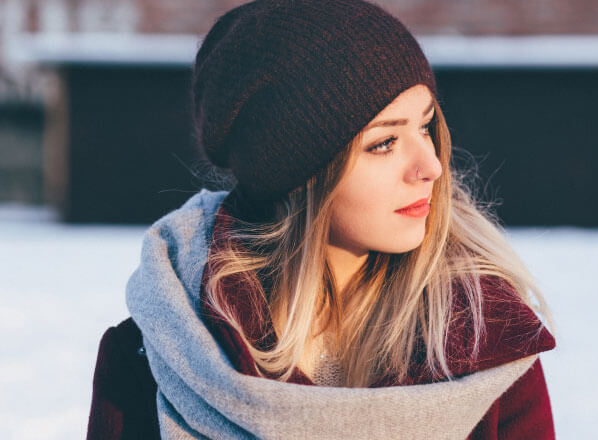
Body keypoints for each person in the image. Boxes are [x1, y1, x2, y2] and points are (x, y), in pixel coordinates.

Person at [86, 0, 557, 438]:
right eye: (384, 143)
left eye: (426, 125)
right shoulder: (158, 359)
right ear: (298, 176)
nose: (431, 167)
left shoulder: (484, 349)